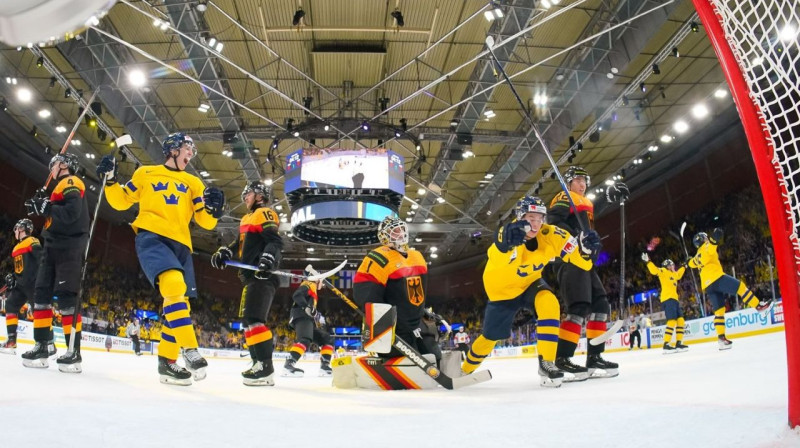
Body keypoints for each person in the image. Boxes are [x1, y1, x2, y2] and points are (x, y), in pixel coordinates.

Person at [97, 132, 224, 385]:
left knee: (180, 304)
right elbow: (121, 202)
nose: (191, 153)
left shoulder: (194, 183)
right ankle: (190, 349)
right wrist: (110, 180)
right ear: (173, 149)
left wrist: (215, 211)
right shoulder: (145, 173)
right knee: (174, 286)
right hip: (152, 237)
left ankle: (166, 363)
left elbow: (205, 222)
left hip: (182, 245)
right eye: (188, 148)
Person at [461, 196, 600, 387]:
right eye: (530, 218)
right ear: (520, 217)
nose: (536, 224)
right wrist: (504, 245)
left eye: (539, 218)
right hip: (502, 293)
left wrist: (585, 249)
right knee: (490, 337)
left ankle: (547, 363)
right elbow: (495, 256)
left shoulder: (550, 234)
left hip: (530, 283)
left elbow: (581, 261)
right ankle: (464, 369)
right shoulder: (509, 233)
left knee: (549, 302)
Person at [548, 166, 618, 380]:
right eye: (578, 180)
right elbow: (554, 223)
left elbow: (587, 227)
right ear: (568, 182)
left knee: (600, 304)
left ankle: (594, 357)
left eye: (584, 180)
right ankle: (562, 358)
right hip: (568, 258)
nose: (582, 184)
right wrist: (575, 237)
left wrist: (611, 198)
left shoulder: (585, 203)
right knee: (578, 306)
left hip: (585, 259)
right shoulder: (563, 196)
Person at [21, 153, 89, 373]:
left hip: (68, 247)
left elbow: (72, 212)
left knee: (68, 297)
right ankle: (43, 344)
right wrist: (43, 205)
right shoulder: (58, 188)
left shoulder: (71, 181)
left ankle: (73, 350)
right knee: (41, 295)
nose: (51, 169)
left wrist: (46, 207)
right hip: (52, 246)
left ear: (64, 165)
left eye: (54, 165)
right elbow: (56, 214)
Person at [210, 180, 282, 386]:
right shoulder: (246, 218)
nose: (244, 197)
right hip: (249, 277)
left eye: (248, 193)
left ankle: (266, 368)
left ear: (260, 196)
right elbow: (239, 244)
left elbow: (274, 241)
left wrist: (268, 258)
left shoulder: (264, 213)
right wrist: (226, 251)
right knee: (248, 322)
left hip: (262, 276)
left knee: (256, 321)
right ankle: (257, 363)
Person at [353, 216, 428, 357]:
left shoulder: (417, 256)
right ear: (384, 236)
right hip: (397, 326)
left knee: (433, 354)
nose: (401, 233)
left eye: (402, 229)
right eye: (395, 231)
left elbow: (421, 291)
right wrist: (382, 324)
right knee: (401, 361)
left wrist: (424, 311)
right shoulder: (377, 257)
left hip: (417, 323)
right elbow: (365, 293)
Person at [688, 228, 772, 350]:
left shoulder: (696, 256)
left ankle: (721, 338)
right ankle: (758, 306)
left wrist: (688, 261)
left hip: (707, 286)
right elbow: (710, 250)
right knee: (741, 287)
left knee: (719, 311)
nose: (706, 238)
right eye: (705, 237)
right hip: (716, 278)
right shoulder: (706, 247)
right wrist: (713, 240)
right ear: (702, 240)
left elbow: (691, 263)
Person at [1, 219, 43, 355]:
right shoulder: (16, 248)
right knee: (10, 305)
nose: (15, 232)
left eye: (17, 229)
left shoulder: (32, 241)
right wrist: (13, 276)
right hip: (21, 284)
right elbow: (21, 268)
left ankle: (45, 344)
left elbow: (40, 260)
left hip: (32, 283)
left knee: (40, 313)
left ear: (22, 229)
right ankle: (12, 342)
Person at [283, 277, 334, 377]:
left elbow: (310, 308)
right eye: (322, 281)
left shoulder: (313, 288)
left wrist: (315, 314)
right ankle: (288, 366)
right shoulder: (310, 284)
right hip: (301, 316)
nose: (323, 284)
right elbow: (297, 295)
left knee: (326, 339)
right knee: (304, 339)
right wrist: (306, 306)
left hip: (307, 318)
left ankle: (325, 367)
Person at [642, 253, 689, 353]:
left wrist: (684, 266)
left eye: (673, 265)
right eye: (671, 265)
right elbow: (654, 270)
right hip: (667, 299)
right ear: (667, 266)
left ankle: (678, 343)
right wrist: (648, 262)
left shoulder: (674, 274)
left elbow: (679, 274)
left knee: (680, 321)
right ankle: (666, 344)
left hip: (674, 300)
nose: (673, 266)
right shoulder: (663, 271)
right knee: (672, 321)